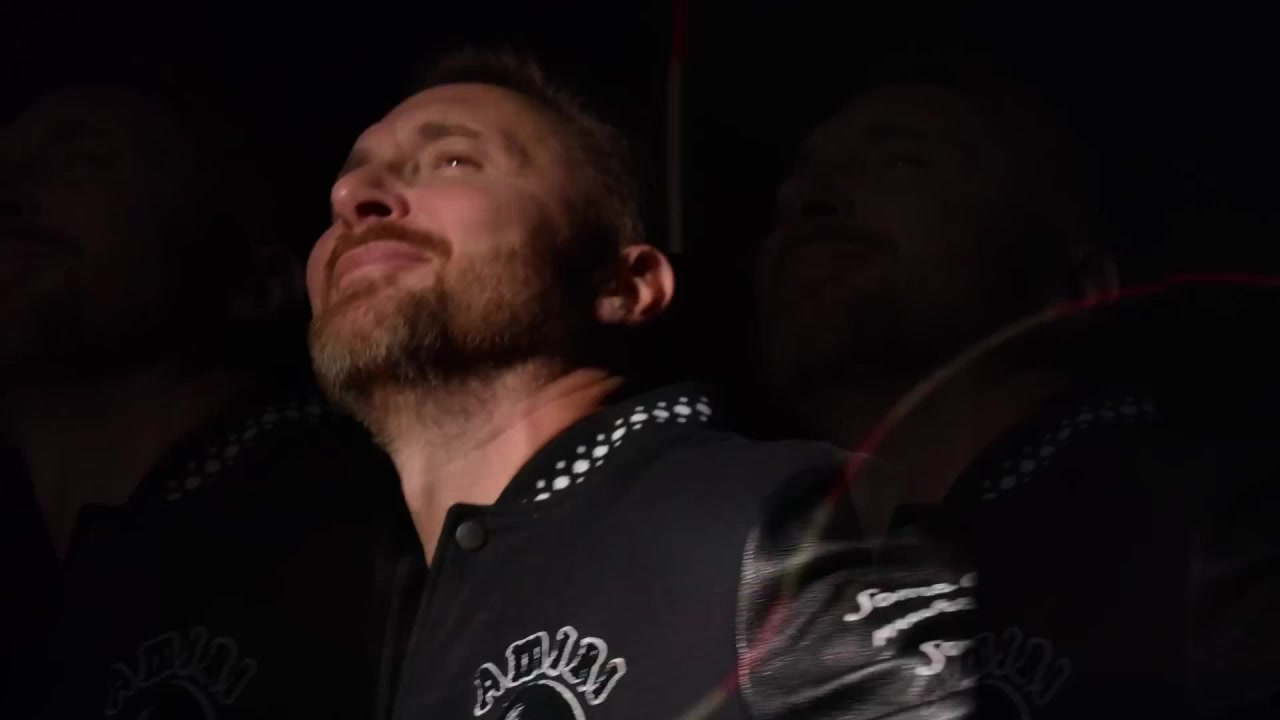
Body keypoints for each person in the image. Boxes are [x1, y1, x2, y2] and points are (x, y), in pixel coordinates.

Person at [305, 49, 978, 720]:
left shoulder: (755, 522)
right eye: (347, 180)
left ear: (626, 285)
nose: (350, 198)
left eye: (453, 161)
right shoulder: (369, 635)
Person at [754, 49, 1280, 718]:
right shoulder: (738, 568)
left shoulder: (1215, 535)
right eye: (787, 198)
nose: (812, 201)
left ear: (1077, 291)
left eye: (901, 162)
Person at [0, 82, 399, 719]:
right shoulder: (41, 595)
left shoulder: (362, 524)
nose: (10, 193)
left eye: (80, 159)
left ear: (260, 282)